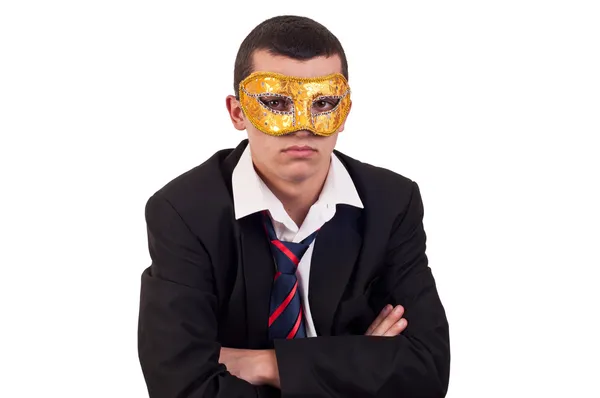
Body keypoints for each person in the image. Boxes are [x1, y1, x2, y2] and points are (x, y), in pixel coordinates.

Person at [137, 14, 450, 398]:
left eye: (323, 103)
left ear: (345, 112)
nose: (302, 126)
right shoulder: (184, 213)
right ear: (238, 112)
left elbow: (427, 371)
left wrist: (266, 363)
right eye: (275, 102)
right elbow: (180, 386)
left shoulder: (392, 204)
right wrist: (357, 366)